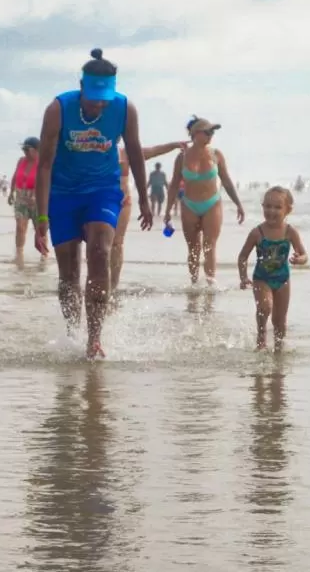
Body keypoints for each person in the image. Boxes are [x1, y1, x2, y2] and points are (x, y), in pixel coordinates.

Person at [34, 48, 153, 359]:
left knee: (100, 251)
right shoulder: (58, 109)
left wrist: (144, 199)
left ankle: (94, 338)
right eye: (94, 95)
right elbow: (44, 164)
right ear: (81, 85)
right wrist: (41, 218)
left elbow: (136, 154)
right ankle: (74, 332)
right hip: (63, 193)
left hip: (102, 189)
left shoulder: (125, 109)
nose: (99, 102)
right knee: (69, 273)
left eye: (105, 96)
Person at [164, 117, 245, 286]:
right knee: (193, 248)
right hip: (189, 204)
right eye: (207, 132)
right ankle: (194, 283)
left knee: (210, 246)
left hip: (212, 203)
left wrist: (238, 204)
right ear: (195, 133)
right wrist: (168, 211)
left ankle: (210, 284)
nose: (211, 135)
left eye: (213, 132)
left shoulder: (216, 155)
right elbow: (173, 186)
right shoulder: (182, 157)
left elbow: (227, 181)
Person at [237, 186, 308, 351]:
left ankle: (279, 348)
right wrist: (243, 277)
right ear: (262, 207)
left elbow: (304, 255)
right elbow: (242, 256)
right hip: (262, 279)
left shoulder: (290, 232)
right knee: (265, 307)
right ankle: (261, 338)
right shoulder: (257, 232)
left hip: (283, 280)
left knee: (280, 320)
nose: (272, 211)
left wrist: (300, 259)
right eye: (268, 206)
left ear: (287, 210)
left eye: (277, 207)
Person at [111, 140, 187, 292]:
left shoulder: (125, 153)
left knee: (117, 244)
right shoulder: (90, 152)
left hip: (122, 202)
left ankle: (112, 285)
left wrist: (173, 145)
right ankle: (98, 279)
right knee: (98, 245)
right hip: (97, 201)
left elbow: (153, 150)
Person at [7, 137, 40, 262]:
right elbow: (15, 177)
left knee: (39, 229)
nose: (25, 152)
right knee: (20, 227)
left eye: (27, 149)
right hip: (21, 197)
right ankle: (19, 253)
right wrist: (11, 193)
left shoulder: (42, 162)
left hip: (36, 199)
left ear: (36, 150)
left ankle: (43, 255)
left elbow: (47, 181)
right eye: (24, 149)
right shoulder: (21, 161)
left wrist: (37, 196)